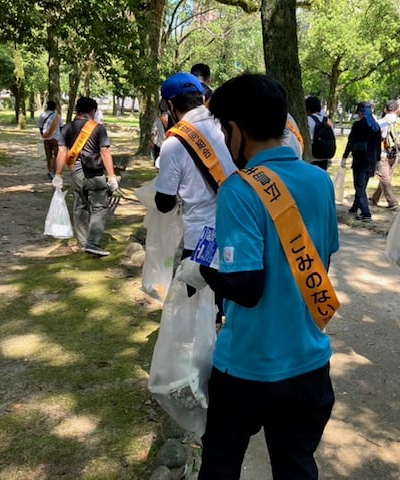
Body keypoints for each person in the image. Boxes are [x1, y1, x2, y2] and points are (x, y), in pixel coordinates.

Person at [194, 73, 339, 479]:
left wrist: (202, 270)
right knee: (296, 467)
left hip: (247, 366)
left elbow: (246, 287)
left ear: (236, 130)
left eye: (225, 132)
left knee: (220, 466)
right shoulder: (320, 180)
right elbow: (324, 260)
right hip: (309, 363)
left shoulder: (238, 190)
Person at [154, 72, 236, 324]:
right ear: (202, 97)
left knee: (195, 308)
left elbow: (164, 203)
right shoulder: (228, 126)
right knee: (227, 301)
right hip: (236, 227)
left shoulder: (174, 143)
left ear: (171, 105)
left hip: (202, 237)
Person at [52, 96, 118, 257]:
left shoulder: (67, 128)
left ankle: (82, 242)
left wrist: (58, 174)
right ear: (93, 111)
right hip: (95, 173)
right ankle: (92, 243)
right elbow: (104, 152)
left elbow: (62, 152)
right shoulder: (98, 128)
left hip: (76, 173)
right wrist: (112, 176)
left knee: (80, 206)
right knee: (99, 207)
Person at [340, 101, 381, 222]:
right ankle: (355, 207)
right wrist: (378, 160)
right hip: (371, 159)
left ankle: (365, 212)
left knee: (359, 186)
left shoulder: (358, 125)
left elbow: (351, 142)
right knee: (363, 185)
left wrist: (345, 156)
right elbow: (378, 145)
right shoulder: (376, 126)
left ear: (361, 112)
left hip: (360, 158)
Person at [370, 100, 400, 210]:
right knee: (385, 178)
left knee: (384, 179)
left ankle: (393, 202)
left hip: (382, 154)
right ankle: (374, 198)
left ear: (385, 110)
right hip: (395, 153)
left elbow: (374, 140)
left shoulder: (380, 123)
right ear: (397, 110)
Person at [306, 95, 333, 170]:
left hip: (312, 158)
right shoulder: (328, 121)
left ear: (308, 109)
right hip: (325, 157)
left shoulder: (307, 120)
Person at [38, 100, 63, 179]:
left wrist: (43, 135)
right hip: (56, 138)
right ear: (55, 108)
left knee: (48, 156)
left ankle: (49, 170)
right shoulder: (58, 116)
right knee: (56, 156)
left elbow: (40, 127)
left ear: (47, 106)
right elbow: (61, 128)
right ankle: (55, 171)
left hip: (46, 138)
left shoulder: (42, 115)